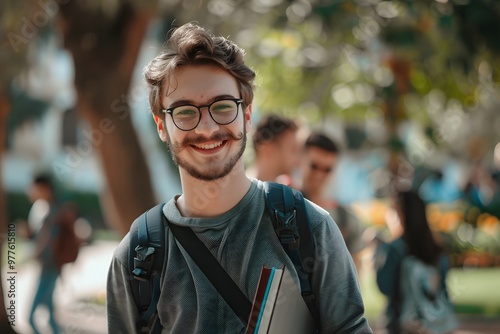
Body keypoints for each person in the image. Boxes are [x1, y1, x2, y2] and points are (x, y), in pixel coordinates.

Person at [107, 23, 372, 333]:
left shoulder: (310, 228)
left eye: (222, 107)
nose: (206, 128)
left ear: (246, 115)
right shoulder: (137, 258)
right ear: (161, 125)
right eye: (184, 111)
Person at [374, 190, 454, 334]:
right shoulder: (438, 250)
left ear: (399, 214)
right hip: (433, 323)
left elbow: (384, 286)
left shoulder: (393, 249)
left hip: (401, 323)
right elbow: (443, 290)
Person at [297, 132, 365, 274]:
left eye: (327, 169)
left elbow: (354, 277)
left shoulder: (346, 219)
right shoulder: (281, 205)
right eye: (314, 166)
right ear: (300, 160)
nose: (320, 175)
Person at [26, 175, 61, 334]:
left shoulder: (51, 211)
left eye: (35, 188)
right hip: (51, 266)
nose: (32, 192)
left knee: (30, 317)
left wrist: (35, 252)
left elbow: (47, 240)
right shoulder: (47, 208)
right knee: (50, 315)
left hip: (49, 266)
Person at [246, 113, 301, 185]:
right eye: (293, 150)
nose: (297, 160)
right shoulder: (237, 192)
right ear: (269, 150)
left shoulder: (285, 192)